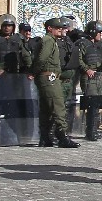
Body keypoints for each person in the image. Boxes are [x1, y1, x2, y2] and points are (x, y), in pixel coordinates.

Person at [30, 17, 78, 149]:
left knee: (46, 108)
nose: (61, 30)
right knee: (58, 105)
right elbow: (42, 59)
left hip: (48, 77)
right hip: (48, 77)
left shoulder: (51, 40)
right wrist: (34, 72)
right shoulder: (48, 40)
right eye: (58, 28)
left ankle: (45, 138)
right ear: (49, 28)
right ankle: (62, 135)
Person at [75, 21, 102, 141]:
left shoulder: (100, 44)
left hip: (99, 76)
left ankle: (94, 130)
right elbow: (79, 59)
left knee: (97, 104)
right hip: (89, 76)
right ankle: (90, 131)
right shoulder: (83, 43)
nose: (100, 35)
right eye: (99, 32)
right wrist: (86, 69)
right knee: (91, 104)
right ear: (92, 32)